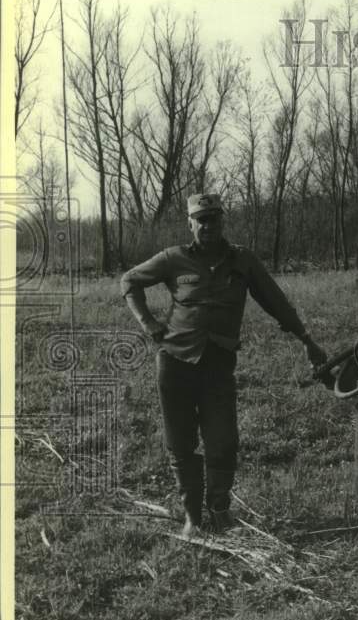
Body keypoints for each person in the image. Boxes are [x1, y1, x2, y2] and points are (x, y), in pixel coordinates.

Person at [121, 193, 329, 536]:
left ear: (223, 221)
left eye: (213, 218)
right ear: (190, 223)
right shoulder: (173, 258)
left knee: (223, 441)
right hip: (175, 364)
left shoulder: (242, 261)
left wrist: (306, 339)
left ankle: (219, 510)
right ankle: (192, 515)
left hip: (218, 365)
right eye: (200, 219)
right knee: (181, 443)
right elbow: (129, 281)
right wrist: (150, 325)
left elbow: (276, 301)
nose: (207, 225)